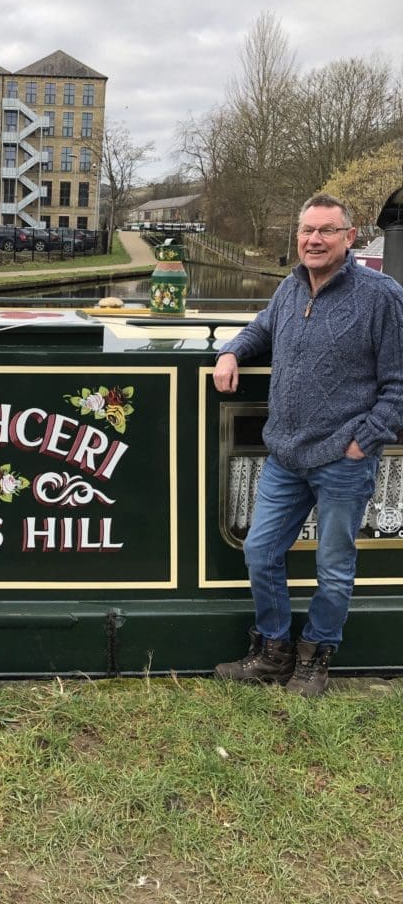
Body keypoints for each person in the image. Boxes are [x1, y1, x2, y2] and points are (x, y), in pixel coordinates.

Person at [213, 193, 403, 696]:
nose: (314, 240)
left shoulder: (380, 295)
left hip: (343, 458)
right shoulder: (290, 288)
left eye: (326, 230)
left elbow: (398, 384)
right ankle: (274, 651)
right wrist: (231, 352)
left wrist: (363, 442)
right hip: (285, 455)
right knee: (260, 550)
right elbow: (262, 330)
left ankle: (316, 657)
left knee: (333, 566)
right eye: (307, 230)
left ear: (349, 236)